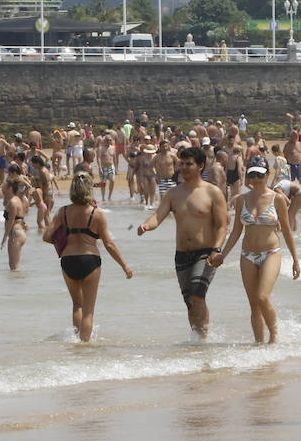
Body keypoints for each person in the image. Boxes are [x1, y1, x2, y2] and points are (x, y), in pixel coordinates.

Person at [137, 146, 228, 338]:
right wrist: (146, 226)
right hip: (182, 255)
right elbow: (157, 217)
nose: (184, 168)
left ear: (200, 166)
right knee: (190, 301)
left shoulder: (213, 193)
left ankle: (203, 338)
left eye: (189, 164)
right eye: (182, 163)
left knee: (197, 294)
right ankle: (197, 338)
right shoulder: (173, 193)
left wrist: (217, 249)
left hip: (206, 253)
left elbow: (222, 225)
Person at [210, 157, 300, 342]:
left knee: (262, 297)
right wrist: (222, 255)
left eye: (260, 174)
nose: (256, 179)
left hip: (271, 253)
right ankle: (259, 345)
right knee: (254, 305)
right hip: (247, 255)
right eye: (252, 175)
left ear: (267, 175)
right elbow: (235, 231)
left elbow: (287, 231)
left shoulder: (278, 199)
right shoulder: (242, 200)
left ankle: (274, 337)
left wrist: (295, 260)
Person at [43, 172, 133, 342]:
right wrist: (124, 266)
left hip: (68, 260)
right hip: (90, 260)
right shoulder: (97, 214)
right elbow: (109, 244)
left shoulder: (63, 212)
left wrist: (64, 240)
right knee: (88, 310)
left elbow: (47, 236)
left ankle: (77, 343)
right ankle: (85, 347)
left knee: (77, 304)